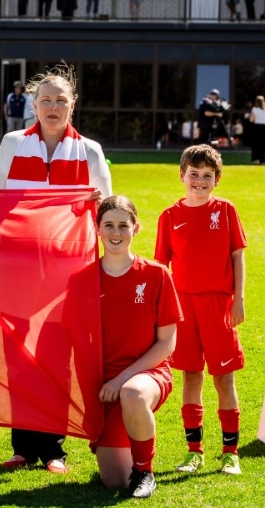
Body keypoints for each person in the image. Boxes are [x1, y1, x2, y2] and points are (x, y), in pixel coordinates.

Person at [0, 65, 112, 473]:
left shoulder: (89, 151)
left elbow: (109, 215)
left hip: (67, 273)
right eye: (45, 99)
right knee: (18, 357)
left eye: (61, 100)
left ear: (72, 105)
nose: (53, 106)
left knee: (56, 357)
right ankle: (23, 445)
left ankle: (54, 448)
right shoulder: (11, 143)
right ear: (33, 104)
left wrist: (95, 203)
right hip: (17, 268)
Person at [154, 145, 247, 476]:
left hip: (219, 305)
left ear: (217, 180)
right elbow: (161, 267)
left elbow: (237, 255)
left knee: (224, 378)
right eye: (193, 175)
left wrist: (239, 298)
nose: (199, 181)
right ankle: (195, 453)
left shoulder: (225, 210)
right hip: (183, 309)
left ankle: (230, 452)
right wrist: (160, 311)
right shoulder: (169, 216)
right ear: (182, 176)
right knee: (190, 377)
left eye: (207, 176)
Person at [91, 195, 180, 498]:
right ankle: (121, 449)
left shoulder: (156, 274)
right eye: (108, 225)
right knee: (114, 481)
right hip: (103, 385)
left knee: (132, 393)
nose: (116, 233)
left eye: (123, 225)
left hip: (147, 374)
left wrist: (121, 379)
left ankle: (145, 472)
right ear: (97, 229)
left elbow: (167, 343)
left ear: (136, 228)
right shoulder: (84, 279)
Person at [248, 95, 265, 164]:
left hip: (257, 127)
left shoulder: (254, 109)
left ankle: (256, 159)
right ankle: (263, 160)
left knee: (255, 144)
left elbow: (251, 119)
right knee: (263, 145)